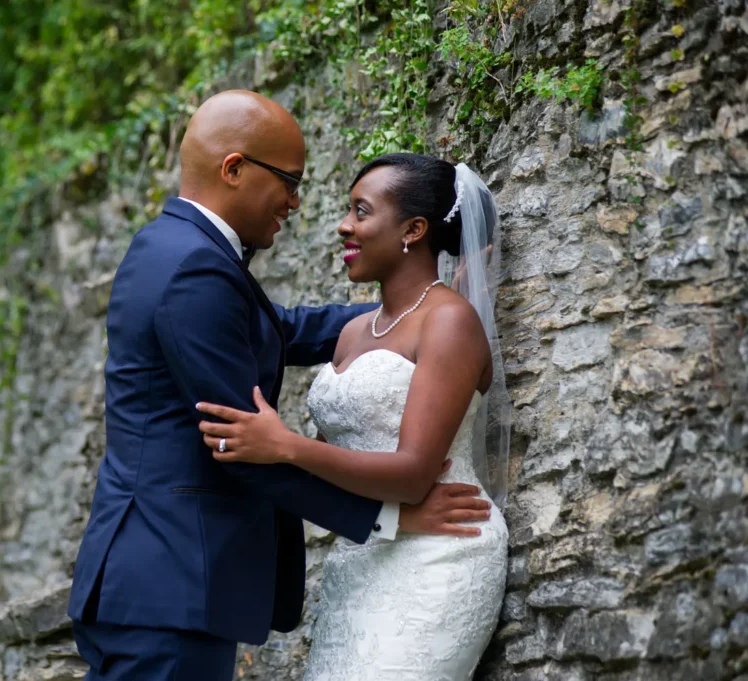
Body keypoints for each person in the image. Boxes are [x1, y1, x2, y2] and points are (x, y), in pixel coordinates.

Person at [66, 92, 493, 681]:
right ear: (234, 168)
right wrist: (385, 519)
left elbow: (274, 330)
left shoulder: (168, 246)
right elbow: (241, 445)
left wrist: (414, 315)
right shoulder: (196, 265)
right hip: (170, 583)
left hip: (153, 578)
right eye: (289, 181)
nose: (296, 202)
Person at [197, 153, 511, 680]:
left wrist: (285, 445)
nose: (344, 225)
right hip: (365, 556)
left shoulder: (450, 323)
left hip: (441, 549)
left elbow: (412, 474)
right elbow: (338, 463)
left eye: (361, 212)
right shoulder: (353, 332)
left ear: (413, 229)